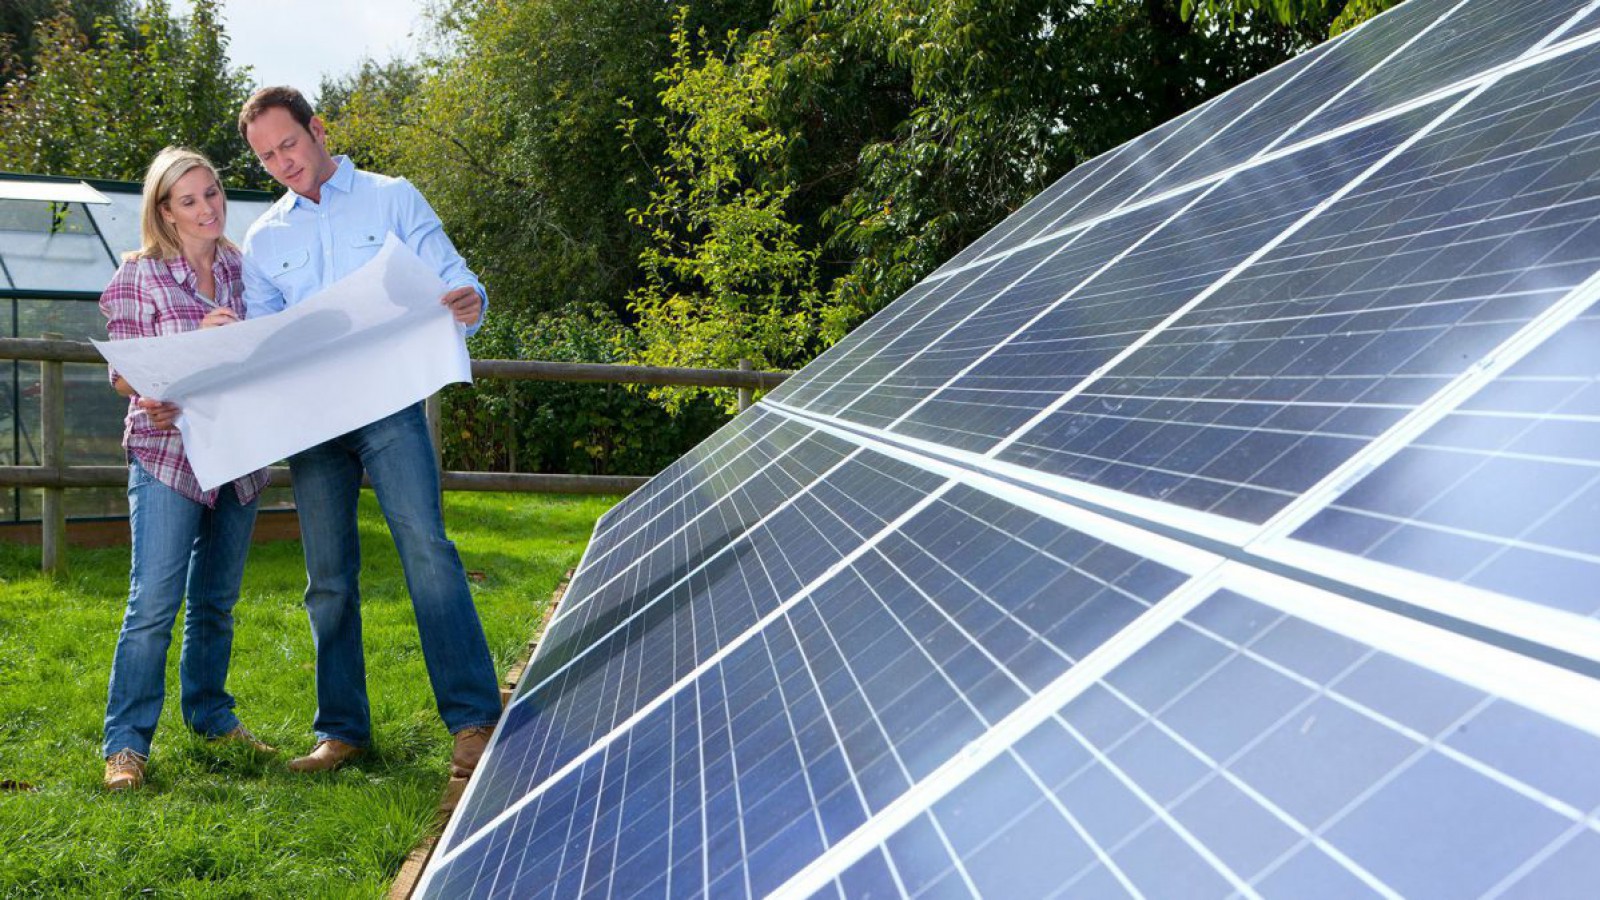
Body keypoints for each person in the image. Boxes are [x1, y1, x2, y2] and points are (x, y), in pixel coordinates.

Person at [236, 86, 501, 776]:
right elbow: (264, 337)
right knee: (328, 579)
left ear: (318, 130)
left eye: (288, 144)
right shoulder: (265, 237)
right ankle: (343, 733)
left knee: (426, 549)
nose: (282, 162)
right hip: (313, 421)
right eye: (266, 156)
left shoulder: (392, 197)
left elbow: (454, 277)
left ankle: (473, 719)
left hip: (388, 404)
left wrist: (468, 301)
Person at [100, 147, 275, 792]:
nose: (207, 208)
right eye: (189, 200)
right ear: (165, 213)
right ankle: (126, 744)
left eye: (212, 193)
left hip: (238, 453)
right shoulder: (138, 276)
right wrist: (187, 355)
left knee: (217, 603)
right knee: (152, 603)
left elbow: (270, 350)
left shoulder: (245, 269)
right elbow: (122, 373)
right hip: (168, 454)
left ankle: (209, 715)